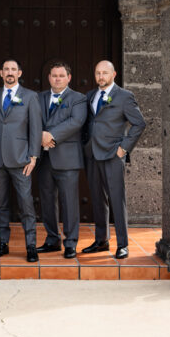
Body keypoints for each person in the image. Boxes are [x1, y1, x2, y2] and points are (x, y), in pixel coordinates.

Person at [0, 58, 42, 262]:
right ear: (1, 73)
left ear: (19, 73)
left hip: (21, 159)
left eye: (13, 69)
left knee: (26, 204)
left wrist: (33, 156)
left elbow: (35, 128)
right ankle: (2, 243)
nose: (10, 72)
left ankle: (30, 245)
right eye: (6, 69)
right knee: (1, 204)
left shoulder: (31, 96)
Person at [82, 59, 146, 259]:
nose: (101, 76)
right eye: (98, 73)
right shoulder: (90, 96)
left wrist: (123, 148)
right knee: (98, 200)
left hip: (112, 154)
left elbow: (139, 124)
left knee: (117, 200)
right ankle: (101, 240)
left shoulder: (125, 96)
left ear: (113, 74)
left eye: (104, 73)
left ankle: (122, 244)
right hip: (92, 154)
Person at [36, 61, 88, 259]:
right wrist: (41, 136)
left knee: (69, 202)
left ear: (69, 78)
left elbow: (76, 122)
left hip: (67, 158)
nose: (57, 78)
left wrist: (51, 135)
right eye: (54, 75)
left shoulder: (78, 98)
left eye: (61, 75)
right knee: (47, 201)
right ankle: (52, 239)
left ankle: (71, 242)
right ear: (49, 77)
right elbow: (32, 119)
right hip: (44, 157)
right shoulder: (39, 97)